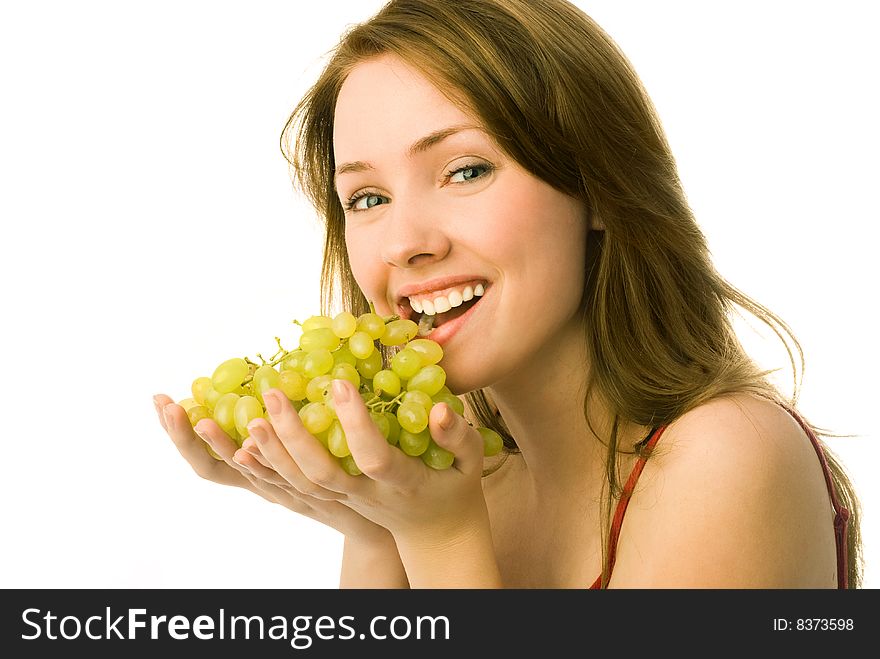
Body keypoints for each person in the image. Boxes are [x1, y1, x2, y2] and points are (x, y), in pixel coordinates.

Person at [153, 0, 862, 588]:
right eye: (367, 196)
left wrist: (439, 539)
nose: (404, 242)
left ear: (597, 188)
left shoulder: (726, 456)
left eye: (464, 171)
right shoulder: (456, 483)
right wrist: (374, 530)